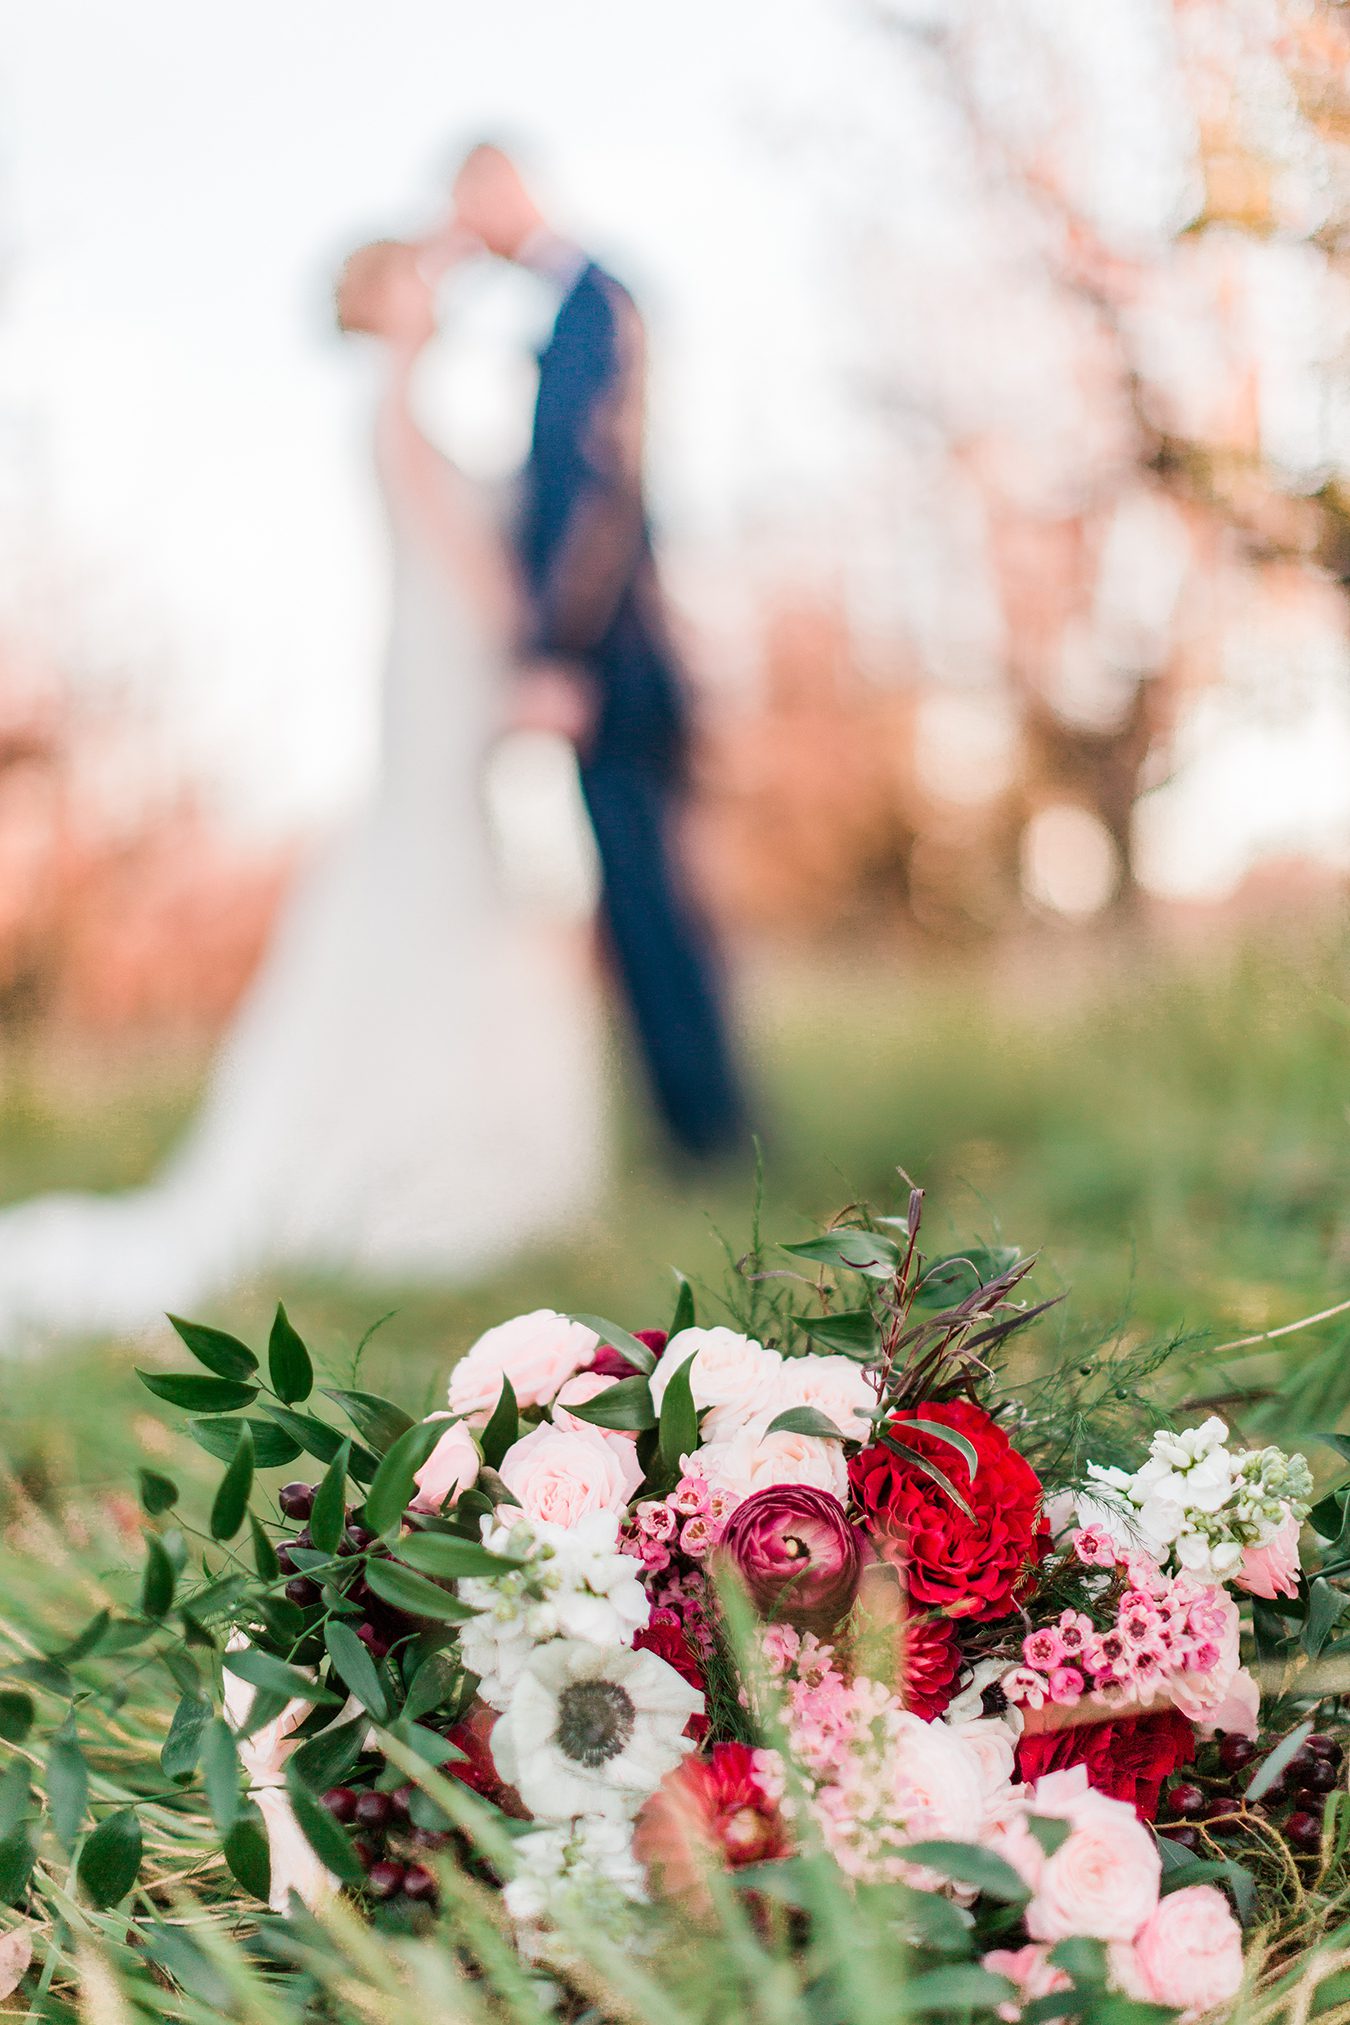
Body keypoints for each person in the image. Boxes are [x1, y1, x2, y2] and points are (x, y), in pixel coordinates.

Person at [0, 239, 604, 1345]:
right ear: (381, 307)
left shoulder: (413, 411)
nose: (430, 294)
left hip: (439, 680)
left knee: (457, 888)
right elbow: (472, 568)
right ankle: (413, 1161)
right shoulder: (393, 412)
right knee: (437, 884)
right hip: (447, 680)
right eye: (410, 283)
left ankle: (468, 1147)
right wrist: (539, 653)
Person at [443, 144, 750, 1163]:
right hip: (609, 654)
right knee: (639, 903)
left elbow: (596, 487)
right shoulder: (565, 307)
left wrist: (556, 650)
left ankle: (709, 1139)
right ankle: (699, 1135)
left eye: (469, 207)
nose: (469, 233)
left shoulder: (593, 303)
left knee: (651, 904)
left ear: (506, 188)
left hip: (616, 660)